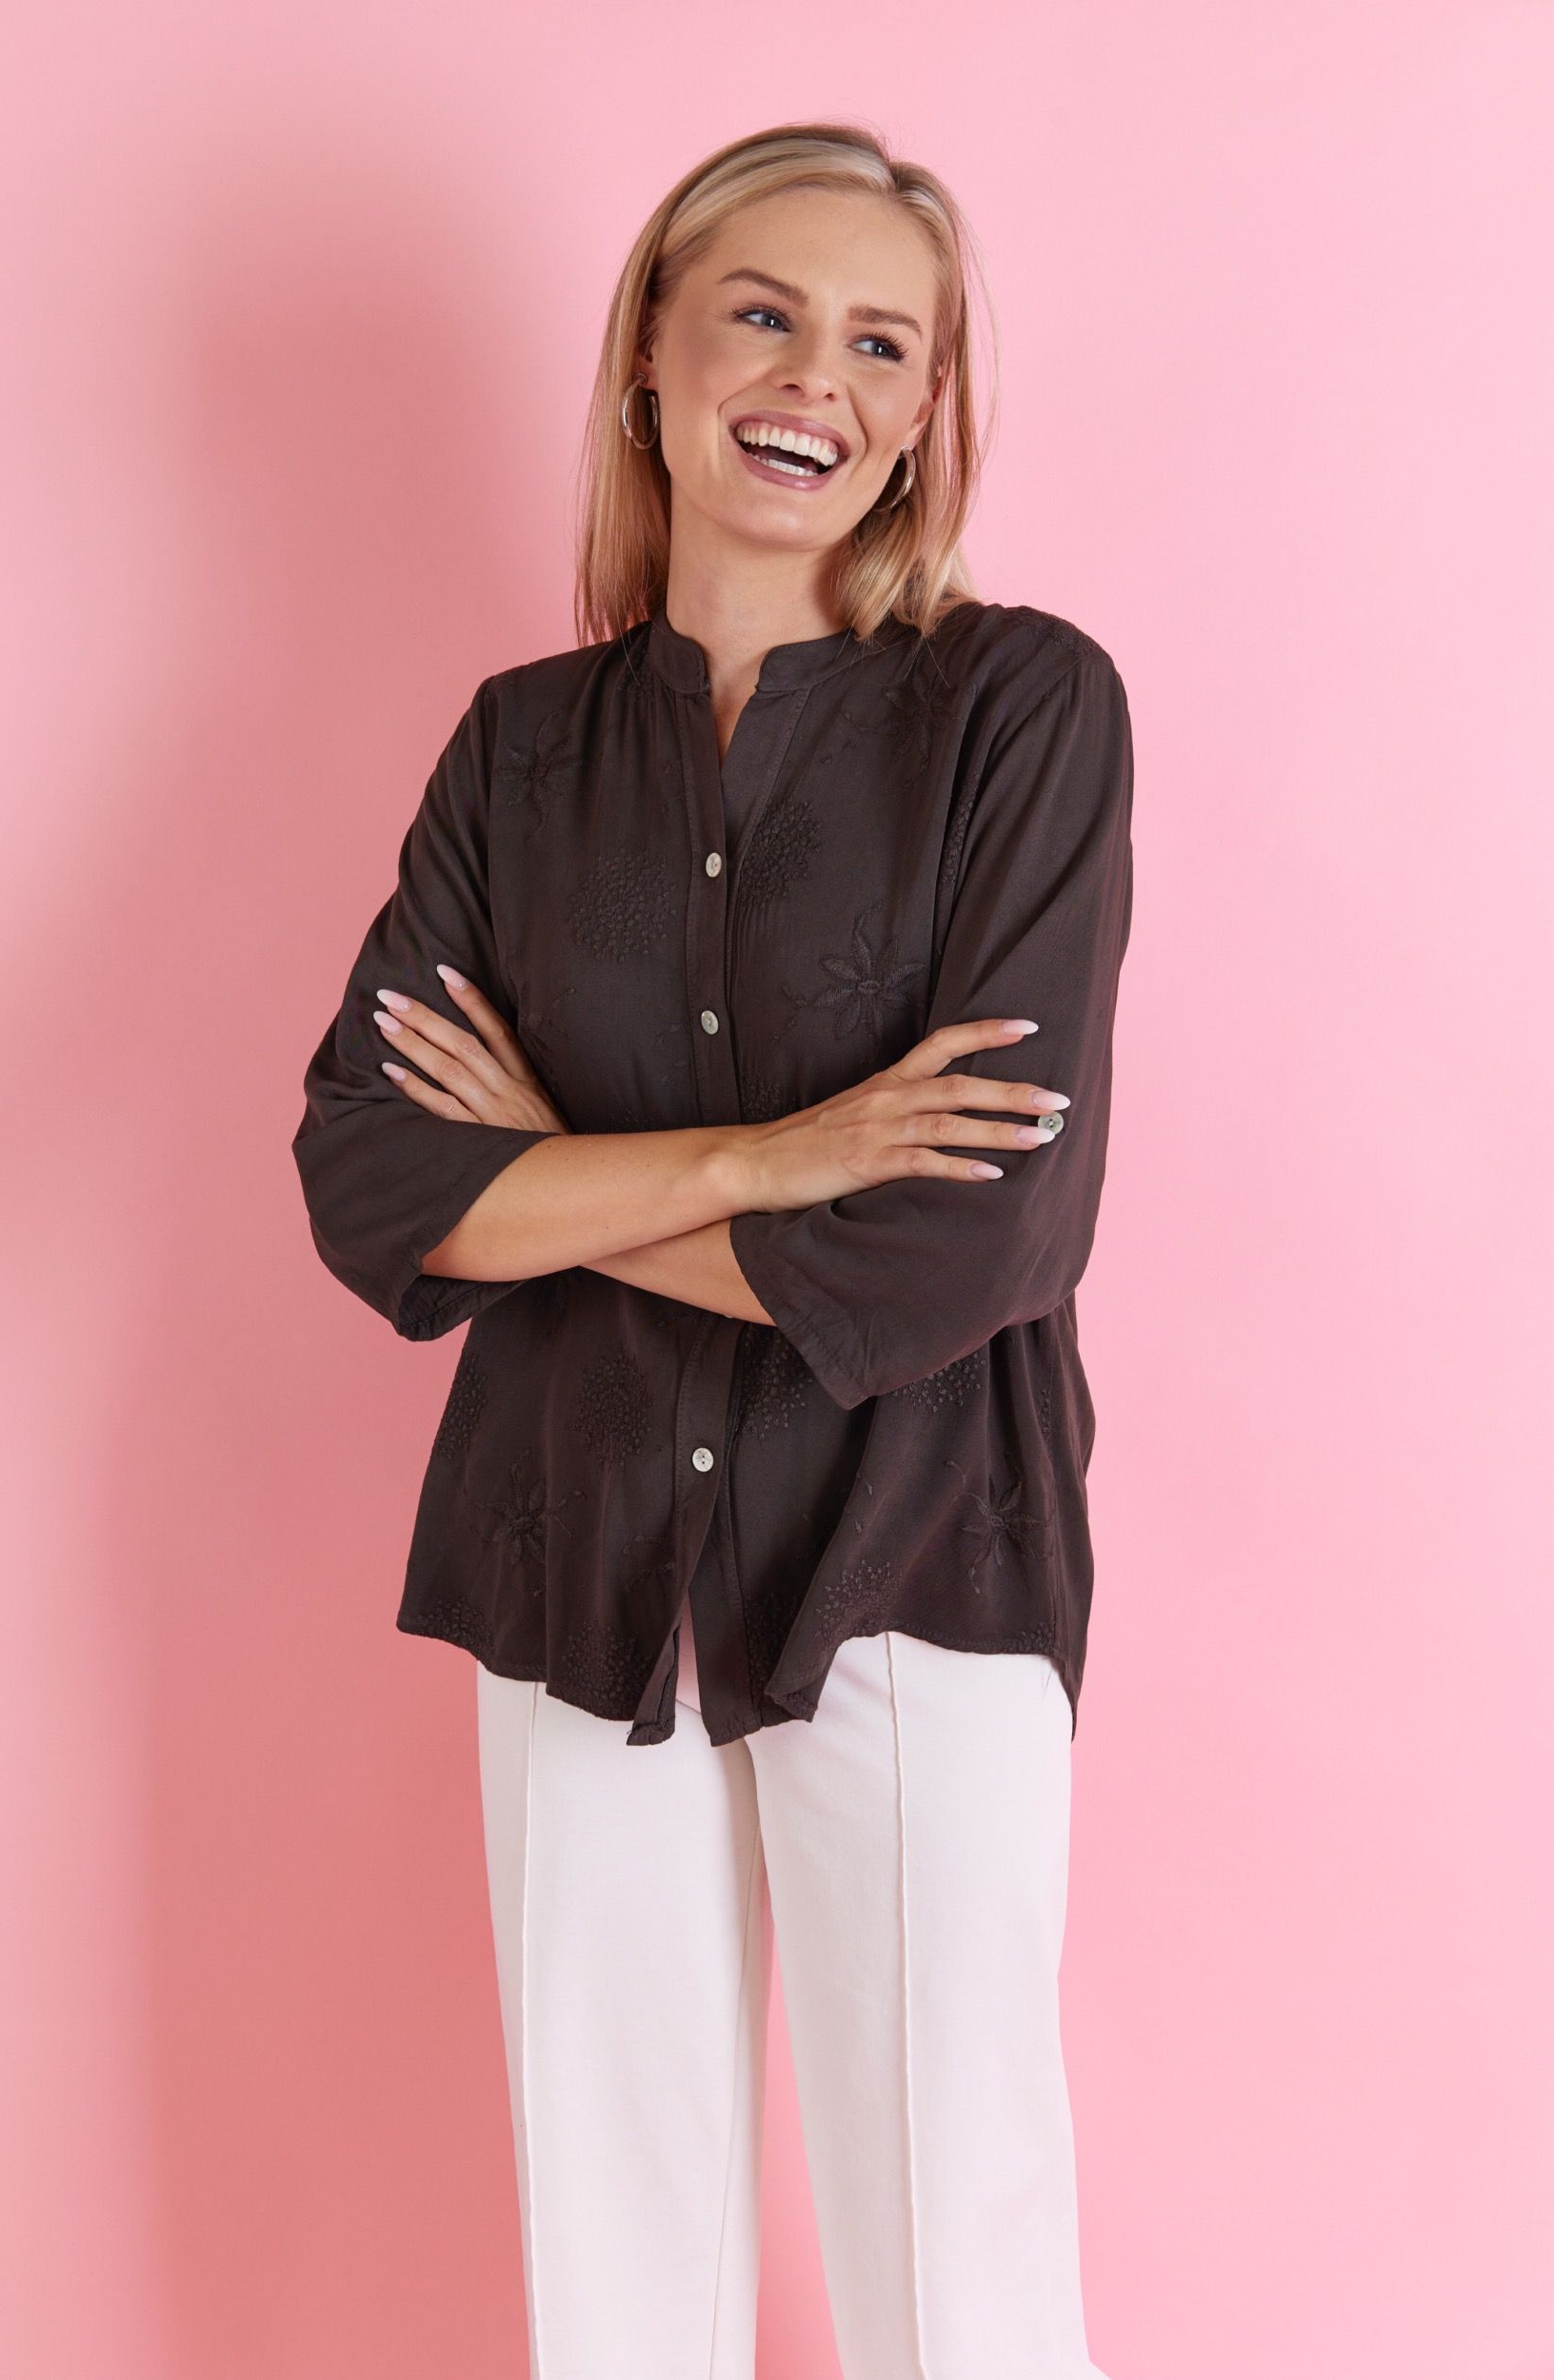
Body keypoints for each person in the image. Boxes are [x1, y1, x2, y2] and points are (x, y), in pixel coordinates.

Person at [292, 120, 1131, 2380]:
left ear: (928, 408)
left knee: (961, 2254)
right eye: (763, 312)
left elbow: (967, 1245)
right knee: (617, 2257)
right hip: (574, 1554)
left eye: (882, 343)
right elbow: (370, 1175)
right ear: (651, 354)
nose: (813, 380)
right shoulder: (517, 753)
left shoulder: (1024, 712)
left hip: (917, 1552)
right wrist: (771, 1156)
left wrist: (560, 1176)